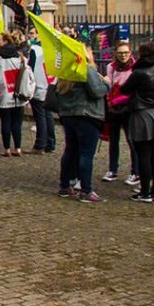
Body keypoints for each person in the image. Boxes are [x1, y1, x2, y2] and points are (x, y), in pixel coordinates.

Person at [120, 43, 154, 203]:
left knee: (143, 153)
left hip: (143, 112)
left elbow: (124, 90)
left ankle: (145, 191)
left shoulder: (139, 73)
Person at [55, 46, 110, 203]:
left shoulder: (65, 71)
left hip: (68, 115)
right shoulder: (85, 69)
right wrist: (106, 83)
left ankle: (64, 186)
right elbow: (97, 91)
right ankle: (86, 190)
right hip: (87, 115)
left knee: (70, 150)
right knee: (86, 153)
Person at [101, 41, 139, 186]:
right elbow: (109, 85)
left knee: (132, 141)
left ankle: (135, 171)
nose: (123, 56)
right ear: (115, 54)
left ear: (130, 53)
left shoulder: (135, 68)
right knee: (113, 141)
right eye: (120, 53)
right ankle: (112, 169)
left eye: (126, 53)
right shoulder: (111, 67)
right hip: (113, 108)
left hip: (128, 108)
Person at [0, 31, 30, 157]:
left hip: (4, 92)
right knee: (17, 122)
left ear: (5, 41)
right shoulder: (21, 57)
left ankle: (7, 149)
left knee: (5, 121)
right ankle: (17, 148)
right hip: (19, 92)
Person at [27, 33, 56, 154]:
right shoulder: (54, 50)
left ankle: (40, 145)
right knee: (47, 115)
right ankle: (50, 143)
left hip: (39, 86)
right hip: (49, 86)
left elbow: (30, 68)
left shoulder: (35, 49)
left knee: (40, 116)